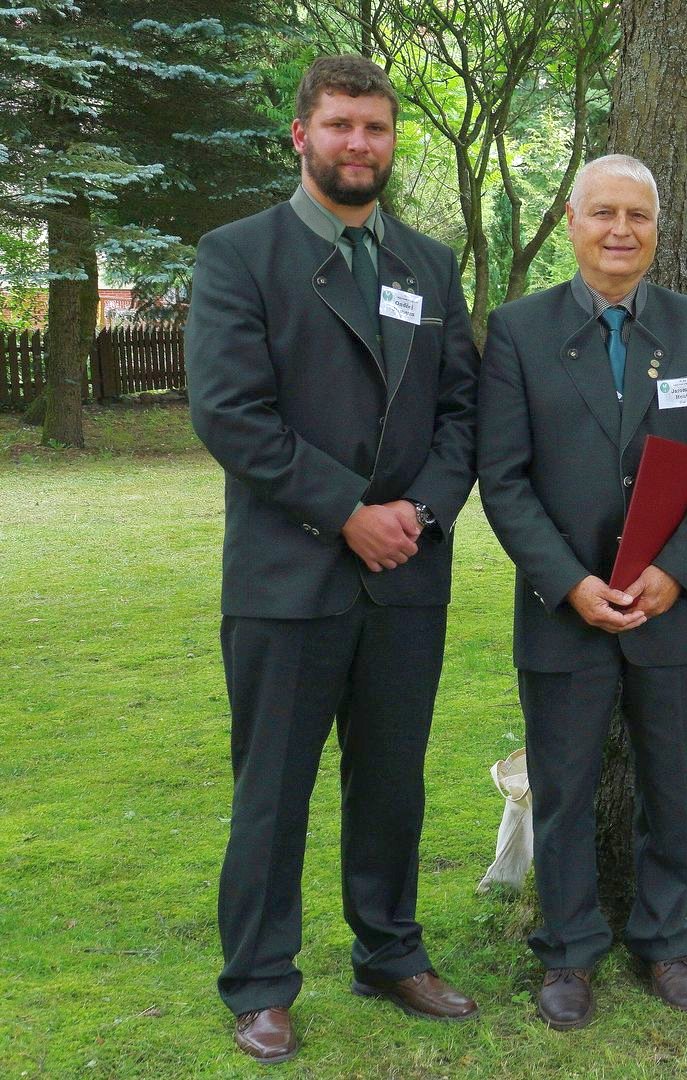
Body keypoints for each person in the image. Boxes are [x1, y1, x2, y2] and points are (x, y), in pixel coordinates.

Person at [185, 55, 480, 1064]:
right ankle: (261, 983)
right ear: (301, 135)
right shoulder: (238, 255)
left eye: (376, 127)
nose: (360, 143)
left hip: (406, 575)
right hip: (288, 573)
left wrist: (419, 514)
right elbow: (230, 413)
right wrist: (348, 512)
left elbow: (462, 410)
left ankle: (390, 953)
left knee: (393, 782)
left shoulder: (428, 266)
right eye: (342, 124)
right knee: (273, 790)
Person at [477, 154, 687, 1031]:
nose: (621, 230)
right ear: (572, 221)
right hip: (567, 608)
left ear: (658, 229)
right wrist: (569, 582)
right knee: (563, 788)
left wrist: (676, 570)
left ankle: (665, 940)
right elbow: (503, 477)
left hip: (674, 604)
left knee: (672, 783)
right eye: (604, 213)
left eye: (638, 215)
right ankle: (567, 949)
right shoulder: (518, 331)